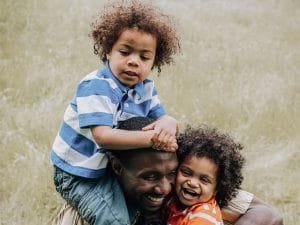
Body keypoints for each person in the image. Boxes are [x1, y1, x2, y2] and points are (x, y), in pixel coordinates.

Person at [50, 0, 180, 224]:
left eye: (144, 57)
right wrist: (152, 138)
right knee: (115, 220)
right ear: (108, 50)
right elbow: (104, 136)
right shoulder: (97, 86)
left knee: (136, 215)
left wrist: (170, 122)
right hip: (79, 173)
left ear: (154, 61)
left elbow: (161, 119)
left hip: (109, 168)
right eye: (125, 51)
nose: (133, 62)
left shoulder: (145, 88)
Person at [52, 117, 284, 225]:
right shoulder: (89, 210)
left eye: (171, 173)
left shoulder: (188, 188)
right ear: (117, 168)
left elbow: (269, 215)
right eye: (149, 176)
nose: (165, 188)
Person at [167, 126, 245, 225]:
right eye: (186, 173)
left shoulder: (203, 217)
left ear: (217, 189)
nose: (192, 183)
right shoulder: (174, 200)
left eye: (204, 180)